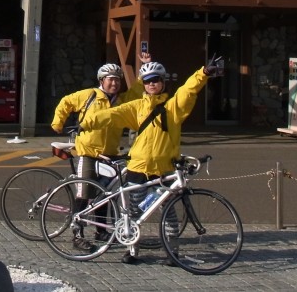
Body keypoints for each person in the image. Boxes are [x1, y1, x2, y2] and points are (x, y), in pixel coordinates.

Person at [78, 56, 224, 265]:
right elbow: (111, 115)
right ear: (143, 84)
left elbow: (188, 90)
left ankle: (172, 253)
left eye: (155, 80)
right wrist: (85, 124)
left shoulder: (173, 107)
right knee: (133, 212)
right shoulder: (137, 107)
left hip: (163, 170)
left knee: (169, 212)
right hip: (138, 167)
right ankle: (132, 250)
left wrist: (204, 73)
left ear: (163, 81)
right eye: (147, 81)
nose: (151, 84)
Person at [50, 58, 146, 249]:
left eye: (117, 79)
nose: (114, 83)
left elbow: (136, 92)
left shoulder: (121, 100)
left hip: (110, 153)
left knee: (106, 195)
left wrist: (143, 72)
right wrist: (57, 123)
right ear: (101, 80)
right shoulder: (89, 95)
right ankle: (77, 235)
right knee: (84, 194)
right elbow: (66, 102)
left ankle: (101, 232)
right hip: (88, 152)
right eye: (110, 79)